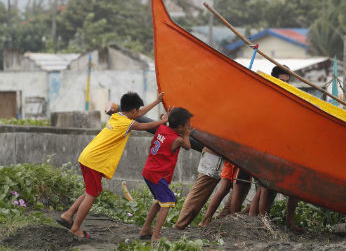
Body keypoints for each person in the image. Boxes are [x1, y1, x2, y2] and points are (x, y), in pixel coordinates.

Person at [57, 92, 166, 239]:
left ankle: (68, 215)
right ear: (132, 111)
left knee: (91, 191)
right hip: (94, 161)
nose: (138, 113)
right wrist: (164, 121)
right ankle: (75, 228)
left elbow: (140, 113)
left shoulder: (117, 116)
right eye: (136, 111)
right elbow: (145, 125)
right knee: (92, 194)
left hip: (87, 156)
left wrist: (157, 101)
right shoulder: (128, 123)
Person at [249, 65, 304, 231]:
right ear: (274, 79)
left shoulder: (291, 96)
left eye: (287, 82)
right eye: (282, 81)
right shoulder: (267, 95)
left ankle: (289, 221)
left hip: (286, 146)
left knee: (294, 186)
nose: (285, 85)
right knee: (265, 185)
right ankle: (260, 220)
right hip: (268, 146)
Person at [140, 107, 193, 241]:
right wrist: (187, 134)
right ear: (180, 127)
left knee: (159, 201)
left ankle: (146, 229)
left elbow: (164, 124)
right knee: (168, 200)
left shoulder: (162, 129)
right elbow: (187, 146)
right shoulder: (178, 139)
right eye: (187, 124)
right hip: (156, 174)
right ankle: (156, 236)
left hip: (149, 171)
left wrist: (166, 117)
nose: (189, 126)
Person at [173, 147, 224, 230]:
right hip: (215, 153)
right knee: (201, 189)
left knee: (201, 188)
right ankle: (180, 224)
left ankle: (181, 223)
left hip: (214, 152)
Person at [199, 160, 238, 226]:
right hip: (240, 162)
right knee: (237, 192)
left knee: (224, 189)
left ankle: (206, 220)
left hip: (229, 158)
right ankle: (233, 221)